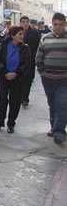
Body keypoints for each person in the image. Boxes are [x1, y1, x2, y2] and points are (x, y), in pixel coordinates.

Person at [0, 26, 30, 133]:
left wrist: (16, 73)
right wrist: (5, 72)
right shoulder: (3, 46)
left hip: (17, 78)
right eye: (20, 34)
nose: (22, 36)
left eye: (23, 34)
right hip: (3, 77)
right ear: (12, 35)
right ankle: (0, 122)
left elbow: (27, 63)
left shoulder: (25, 48)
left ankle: (11, 123)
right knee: (2, 99)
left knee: (15, 101)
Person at [36, 13, 67, 144]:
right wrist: (41, 72)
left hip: (64, 79)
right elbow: (39, 56)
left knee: (62, 104)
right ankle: (54, 127)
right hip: (48, 78)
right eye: (55, 24)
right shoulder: (45, 38)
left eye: (61, 24)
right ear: (52, 24)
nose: (58, 27)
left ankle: (59, 132)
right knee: (52, 103)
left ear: (65, 24)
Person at [19, 16, 41, 107]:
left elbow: (34, 47)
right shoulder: (17, 32)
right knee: (19, 80)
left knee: (27, 80)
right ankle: (19, 97)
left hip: (29, 60)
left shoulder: (34, 33)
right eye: (23, 22)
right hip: (18, 60)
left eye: (26, 22)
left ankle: (25, 98)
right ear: (20, 23)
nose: (25, 23)